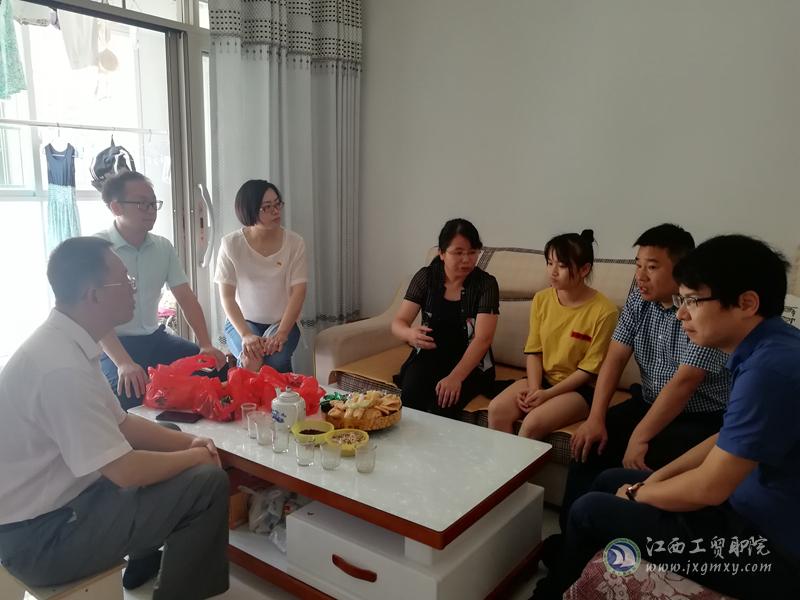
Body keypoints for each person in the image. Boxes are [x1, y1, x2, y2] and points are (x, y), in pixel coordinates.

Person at [532, 235, 800, 600]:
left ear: (746, 303)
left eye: (692, 301)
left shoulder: (768, 371)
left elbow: (708, 487)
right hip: (745, 503)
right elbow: (725, 438)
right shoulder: (770, 346)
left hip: (766, 548)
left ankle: (553, 590)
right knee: (608, 479)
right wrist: (654, 480)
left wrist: (639, 493)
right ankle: (572, 559)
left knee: (589, 510)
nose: (681, 314)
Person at [0, 237, 229, 598]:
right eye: (125, 281)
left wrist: (192, 442)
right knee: (208, 483)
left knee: (168, 433)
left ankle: (144, 559)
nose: (134, 289)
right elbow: (125, 471)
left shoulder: (65, 341)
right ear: (93, 295)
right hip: (43, 539)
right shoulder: (61, 369)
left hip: (61, 505)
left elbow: (122, 423)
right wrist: (197, 457)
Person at [560, 224, 730, 527]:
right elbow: (615, 357)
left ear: (682, 269)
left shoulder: (702, 308)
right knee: (587, 445)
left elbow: (684, 383)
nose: (640, 275)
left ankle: (615, 538)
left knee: (641, 459)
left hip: (699, 418)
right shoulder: (638, 299)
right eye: (638, 265)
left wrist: (639, 437)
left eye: (651, 267)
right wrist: (595, 417)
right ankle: (571, 537)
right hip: (648, 403)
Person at [95, 171, 226, 409]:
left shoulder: (162, 247)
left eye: (153, 203)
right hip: (115, 344)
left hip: (155, 337)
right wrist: (123, 363)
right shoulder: (99, 249)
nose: (151, 210)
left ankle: (191, 430)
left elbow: (186, 298)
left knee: (213, 369)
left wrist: (206, 343)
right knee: (128, 394)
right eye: (142, 204)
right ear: (116, 207)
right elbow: (95, 314)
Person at [488, 230, 618, 439]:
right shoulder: (541, 299)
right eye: (549, 263)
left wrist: (547, 395)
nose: (553, 272)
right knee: (497, 410)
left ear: (585, 269)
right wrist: (534, 389)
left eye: (562, 266)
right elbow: (534, 351)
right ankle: (502, 463)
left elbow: (588, 371)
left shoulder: (605, 311)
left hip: (579, 389)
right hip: (542, 380)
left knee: (532, 423)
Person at [391, 218, 500, 418]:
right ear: (441, 253)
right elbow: (399, 322)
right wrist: (409, 334)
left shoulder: (486, 284)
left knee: (442, 406)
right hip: (429, 356)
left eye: (472, 252)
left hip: (470, 364)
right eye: (458, 253)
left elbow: (483, 339)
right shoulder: (426, 277)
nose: (466, 260)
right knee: (410, 398)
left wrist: (455, 377)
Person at [215, 179, 307, 372]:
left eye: (277, 204)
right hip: (242, 322)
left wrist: (282, 332)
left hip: (282, 321)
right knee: (252, 359)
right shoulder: (231, 244)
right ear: (249, 210)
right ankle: (248, 391)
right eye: (267, 207)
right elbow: (227, 297)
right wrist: (246, 334)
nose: (275, 211)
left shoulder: (295, 243)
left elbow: (299, 292)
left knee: (276, 358)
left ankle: (282, 390)